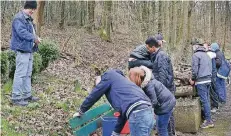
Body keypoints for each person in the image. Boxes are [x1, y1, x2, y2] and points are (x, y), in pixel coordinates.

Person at [73, 69, 155, 136]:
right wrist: (116, 133)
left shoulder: (108, 76)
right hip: (148, 112)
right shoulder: (121, 86)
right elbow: (123, 112)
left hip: (138, 114)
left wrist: (81, 111)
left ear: (100, 80)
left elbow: (94, 95)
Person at [129, 66, 176, 136]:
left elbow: (154, 101)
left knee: (161, 129)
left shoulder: (148, 86)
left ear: (137, 78)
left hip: (165, 105)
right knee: (164, 126)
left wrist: (147, 111)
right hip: (167, 102)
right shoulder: (146, 81)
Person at [10, 1, 40, 106]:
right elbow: (22, 32)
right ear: (26, 7)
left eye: (34, 9)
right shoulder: (19, 18)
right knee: (20, 74)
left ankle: (27, 95)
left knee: (28, 74)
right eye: (31, 9)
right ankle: (16, 97)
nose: (32, 11)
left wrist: (35, 40)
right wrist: (34, 38)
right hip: (22, 50)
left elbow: (30, 32)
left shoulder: (29, 18)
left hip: (29, 50)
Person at [146, 37, 176, 136]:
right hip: (163, 88)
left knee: (168, 115)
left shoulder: (161, 56)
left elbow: (162, 75)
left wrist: (160, 90)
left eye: (148, 48)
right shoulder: (156, 55)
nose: (147, 50)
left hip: (166, 89)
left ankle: (171, 133)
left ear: (153, 47)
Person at [189, 39, 214, 128]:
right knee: (207, 100)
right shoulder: (206, 55)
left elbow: (195, 70)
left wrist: (192, 79)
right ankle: (209, 117)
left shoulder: (196, 55)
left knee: (204, 100)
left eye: (192, 46)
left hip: (201, 81)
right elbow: (210, 68)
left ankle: (208, 121)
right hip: (208, 79)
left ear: (195, 46)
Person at [203, 43, 219, 113]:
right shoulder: (211, 53)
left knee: (212, 90)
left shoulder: (209, 54)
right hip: (212, 73)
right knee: (213, 90)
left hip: (211, 74)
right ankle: (215, 105)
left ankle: (215, 106)